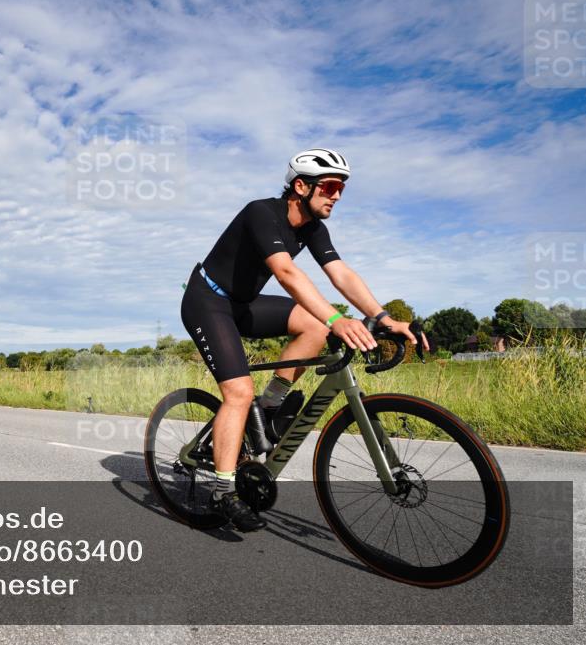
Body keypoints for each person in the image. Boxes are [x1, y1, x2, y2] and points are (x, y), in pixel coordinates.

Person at [181, 148, 428, 531]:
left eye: (342, 188)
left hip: (244, 303)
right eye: (330, 186)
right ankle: (222, 490)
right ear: (301, 186)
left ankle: (270, 406)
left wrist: (382, 317)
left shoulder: (313, 228)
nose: (337, 195)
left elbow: (341, 273)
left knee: (315, 328)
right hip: (207, 301)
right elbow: (286, 273)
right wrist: (336, 317)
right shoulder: (261, 213)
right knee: (239, 392)